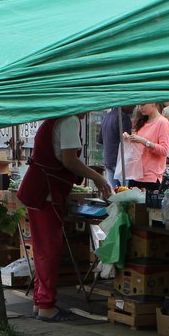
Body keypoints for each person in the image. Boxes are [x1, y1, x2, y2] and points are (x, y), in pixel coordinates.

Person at [17, 114, 111, 321]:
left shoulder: (56, 119)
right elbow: (69, 160)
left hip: (41, 188)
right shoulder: (69, 120)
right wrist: (97, 177)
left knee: (44, 248)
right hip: (46, 190)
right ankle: (46, 305)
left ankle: (40, 301)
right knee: (49, 249)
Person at [121, 102, 169, 190]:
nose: (140, 107)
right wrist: (129, 139)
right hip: (135, 174)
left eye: (143, 104)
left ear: (154, 103)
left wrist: (144, 141)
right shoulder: (141, 121)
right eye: (139, 105)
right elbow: (137, 148)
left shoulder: (162, 122)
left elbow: (164, 151)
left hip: (151, 177)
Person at [100, 106, 133, 187]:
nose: (134, 106)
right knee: (125, 193)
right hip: (119, 161)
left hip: (108, 159)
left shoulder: (107, 116)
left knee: (113, 193)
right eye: (132, 104)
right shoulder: (123, 117)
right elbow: (127, 141)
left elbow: (100, 140)